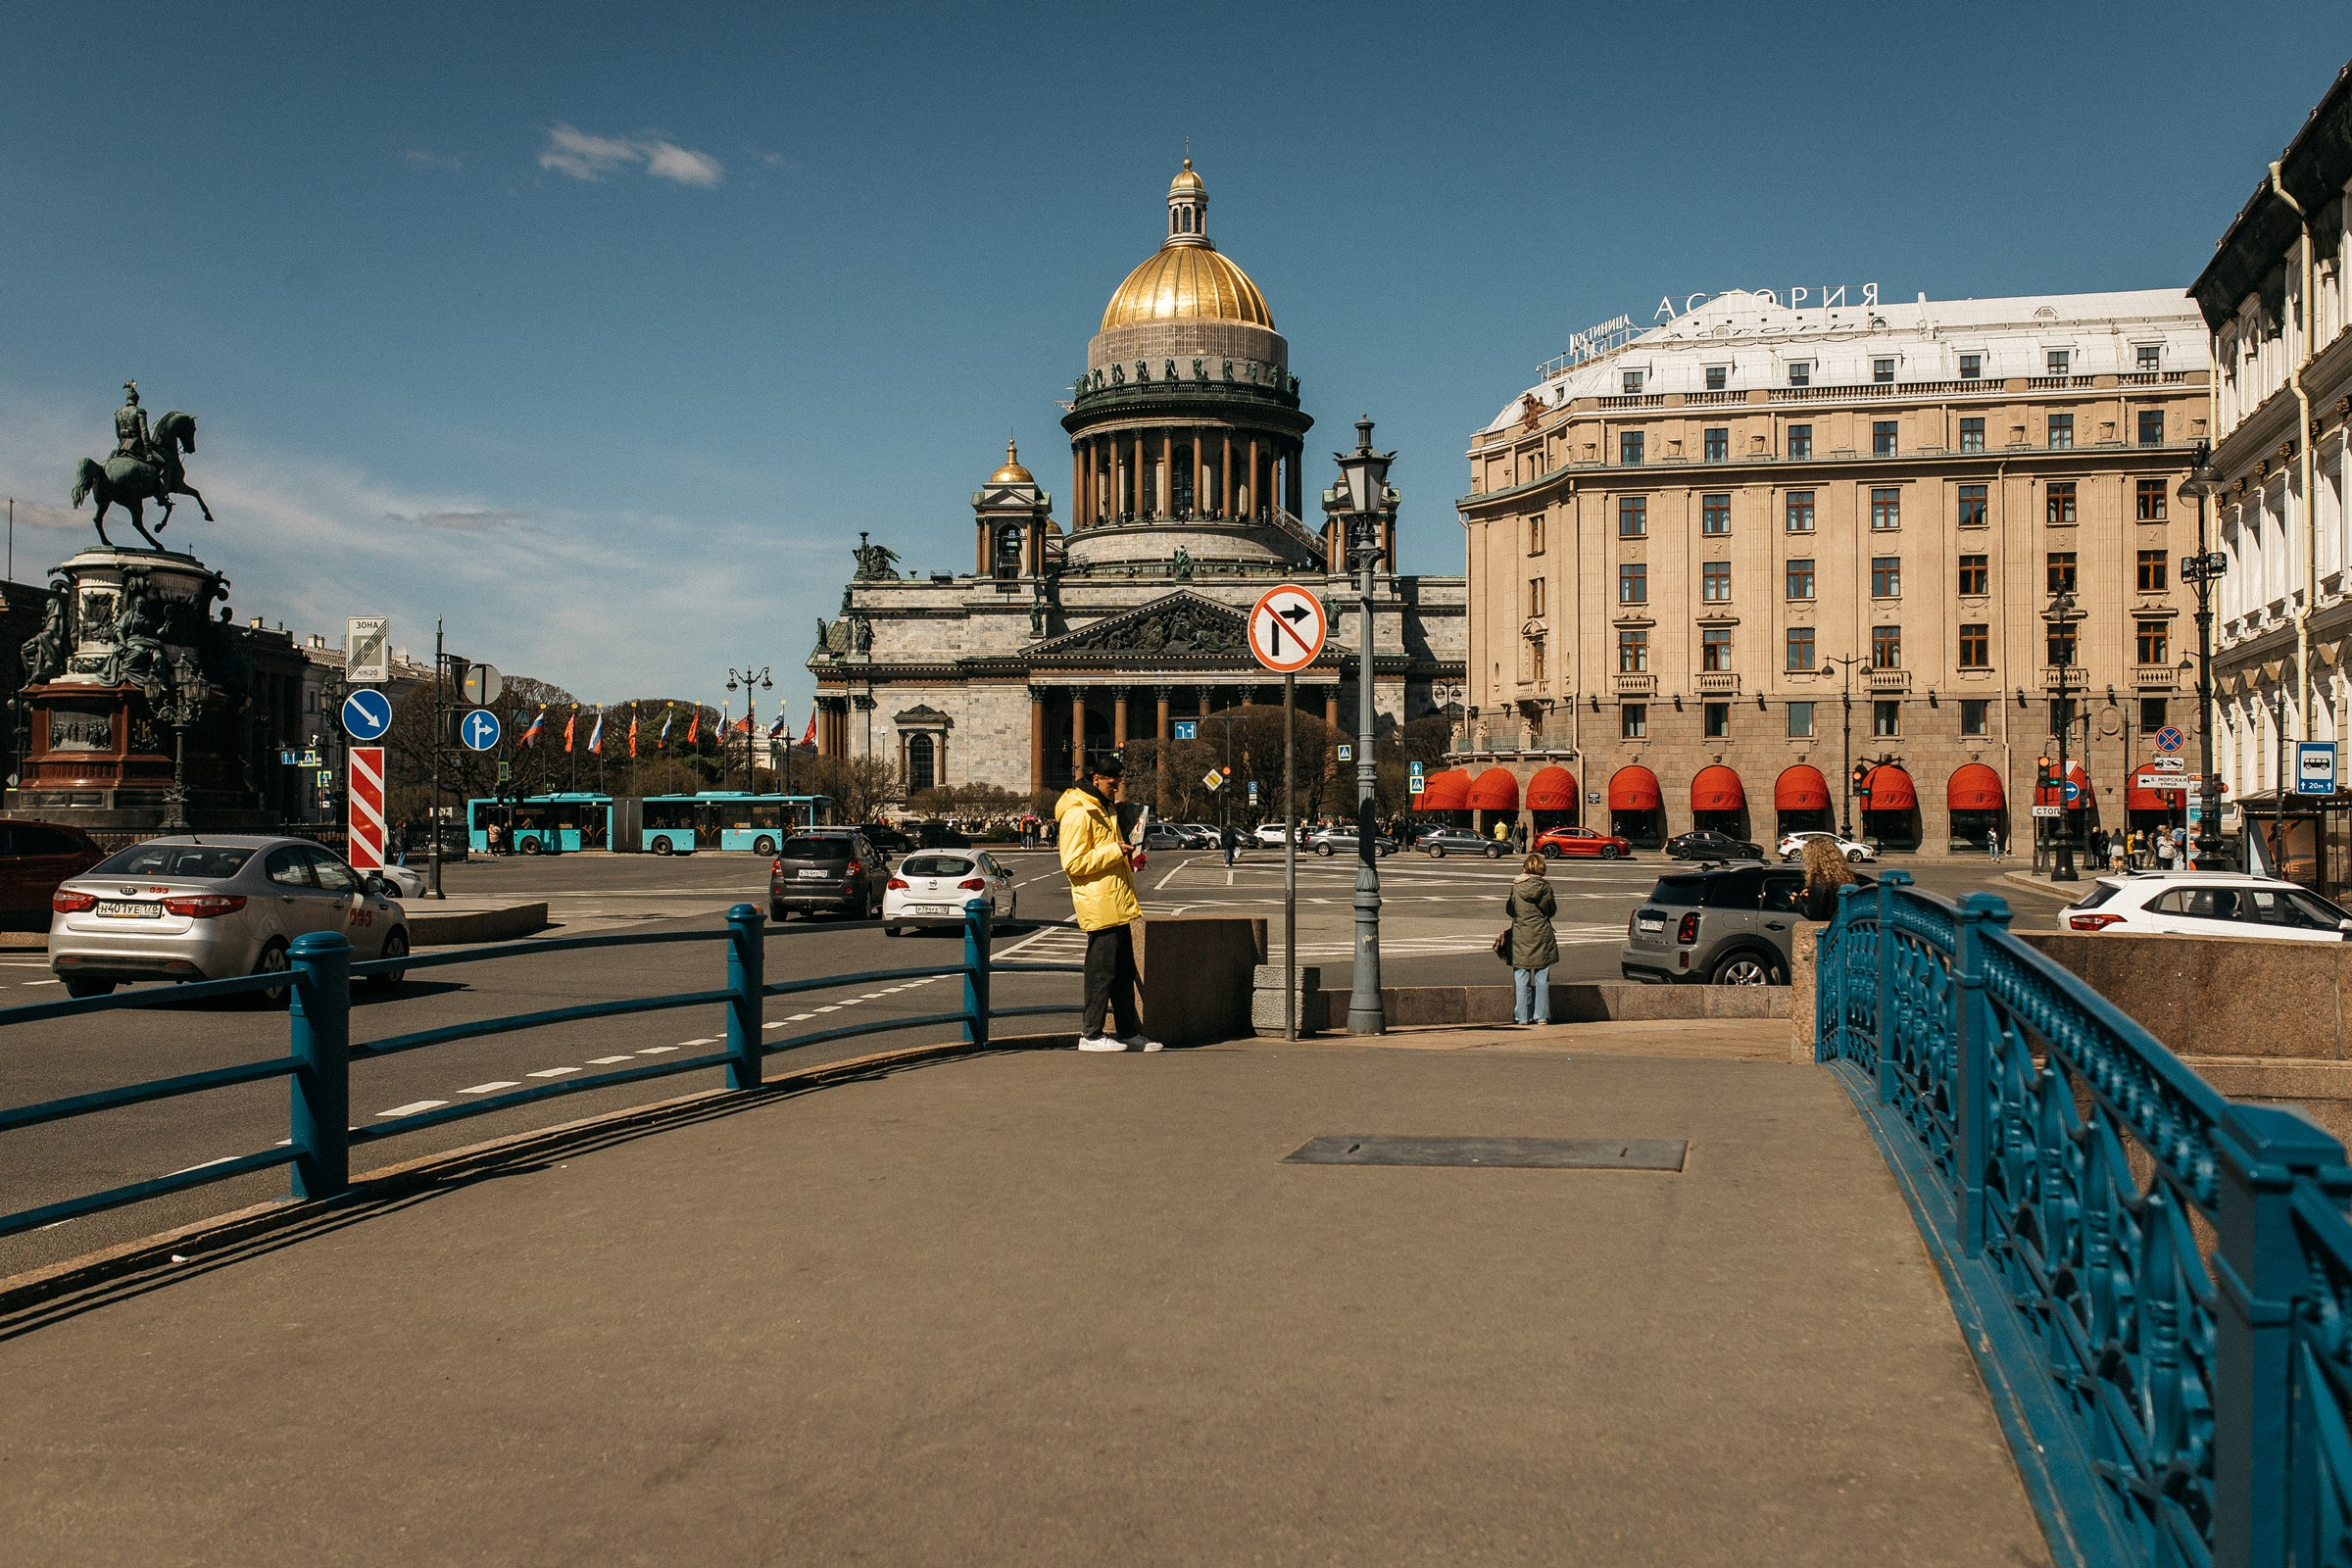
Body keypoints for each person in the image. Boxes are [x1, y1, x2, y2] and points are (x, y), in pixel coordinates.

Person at [1056, 754, 1159, 1053]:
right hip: (1099, 903)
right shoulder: (1079, 813)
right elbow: (1073, 863)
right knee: (1101, 973)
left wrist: (1128, 857)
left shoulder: (1103, 809)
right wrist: (1116, 850)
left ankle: (1128, 1032)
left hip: (1115, 901)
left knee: (1123, 972)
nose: (1117, 789)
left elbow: (1106, 854)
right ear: (1096, 779)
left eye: (1118, 784)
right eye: (1112, 784)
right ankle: (1091, 1035)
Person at [1504, 853, 1560, 1026]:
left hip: (1520, 934)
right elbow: (1550, 910)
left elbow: (1510, 909)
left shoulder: (1516, 886)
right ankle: (1541, 1016)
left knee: (1521, 976)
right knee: (1542, 977)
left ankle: (1522, 1017)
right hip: (1541, 935)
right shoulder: (1545, 887)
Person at [1799, 835, 1862, 922]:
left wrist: (1798, 902)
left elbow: (1816, 915)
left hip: (1831, 930)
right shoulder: (1844, 877)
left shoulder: (1819, 879)